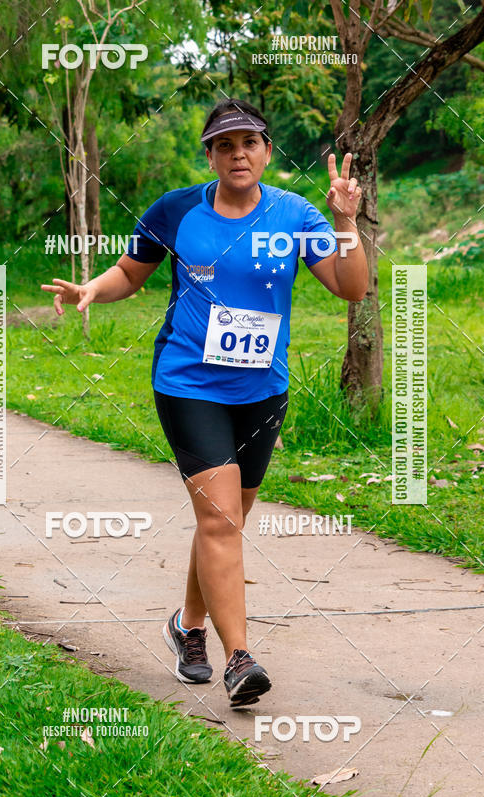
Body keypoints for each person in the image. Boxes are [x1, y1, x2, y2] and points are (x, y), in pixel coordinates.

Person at [42, 98, 368, 707]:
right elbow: (130, 273)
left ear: (267, 150)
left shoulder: (296, 215)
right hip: (188, 382)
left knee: (223, 521)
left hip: (262, 390)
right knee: (220, 521)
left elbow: (352, 288)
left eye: (249, 142)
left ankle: (187, 627)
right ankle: (239, 659)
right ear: (210, 155)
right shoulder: (177, 209)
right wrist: (92, 288)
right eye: (224, 144)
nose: (238, 153)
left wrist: (345, 220)